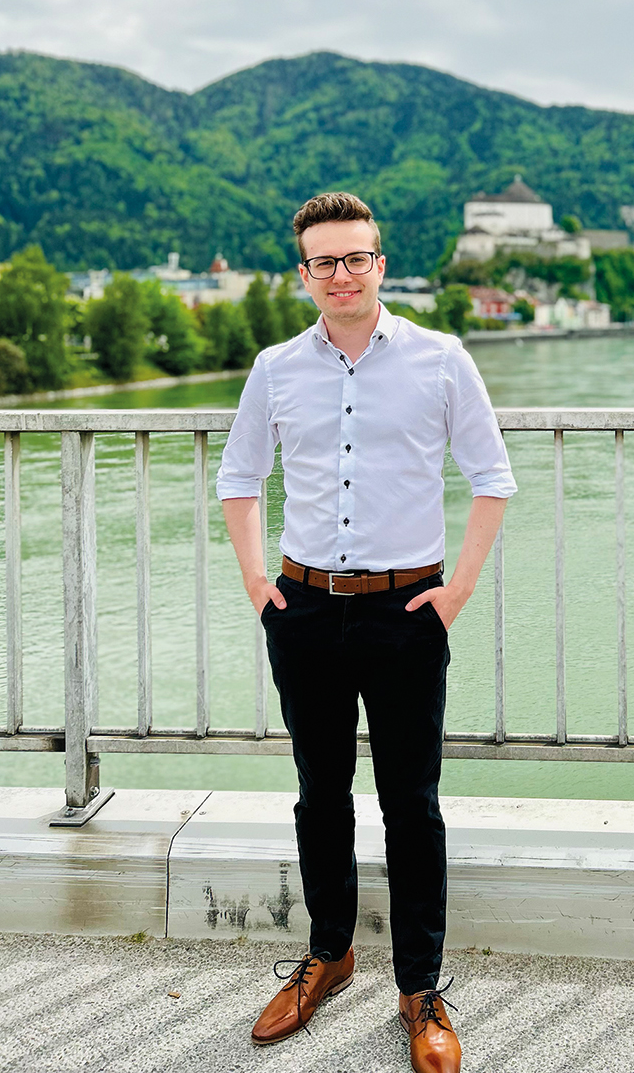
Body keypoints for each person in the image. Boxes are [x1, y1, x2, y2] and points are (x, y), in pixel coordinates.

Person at [216, 190, 516, 1072]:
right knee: (321, 794)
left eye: (356, 258)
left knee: (411, 805)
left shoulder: (441, 358)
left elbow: (492, 478)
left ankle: (419, 988)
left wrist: (457, 592)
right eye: (325, 262)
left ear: (379, 264)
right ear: (303, 274)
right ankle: (330, 955)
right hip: (303, 608)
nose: (341, 275)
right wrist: (257, 583)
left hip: (407, 610)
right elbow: (240, 479)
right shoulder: (276, 367)